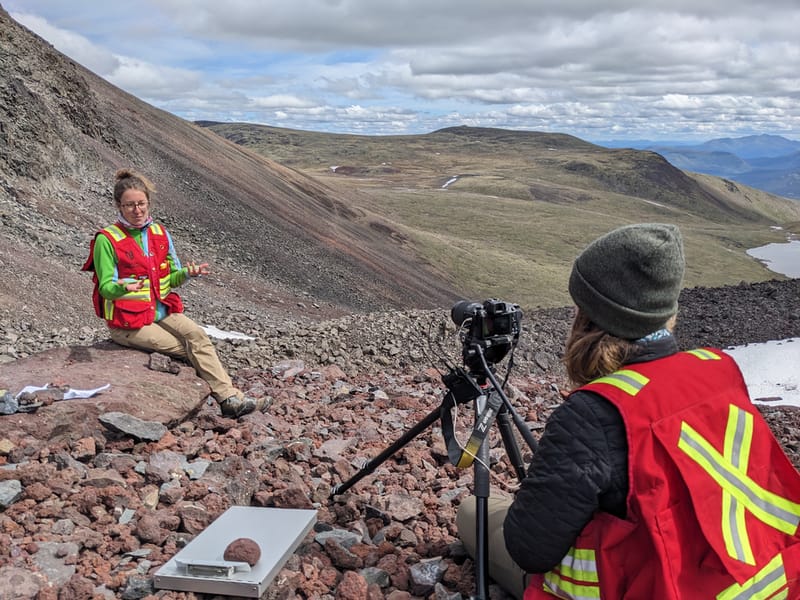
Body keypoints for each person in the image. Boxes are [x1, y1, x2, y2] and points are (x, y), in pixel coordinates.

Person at [457, 223, 800, 599]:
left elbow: (530, 549)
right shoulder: (718, 369)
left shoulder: (595, 412)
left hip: (652, 586)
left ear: (589, 314)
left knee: (474, 515)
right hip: (765, 580)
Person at [82, 168, 268, 418]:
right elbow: (105, 287)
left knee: (198, 337)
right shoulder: (108, 239)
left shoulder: (159, 233)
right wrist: (121, 288)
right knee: (185, 348)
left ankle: (230, 399)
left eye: (141, 204)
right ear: (118, 206)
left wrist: (187, 273)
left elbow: (171, 278)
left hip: (160, 309)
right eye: (129, 206)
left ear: (149, 203)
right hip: (128, 321)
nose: (137, 211)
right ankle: (229, 399)